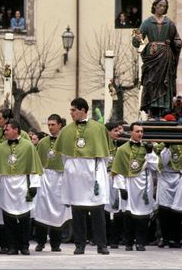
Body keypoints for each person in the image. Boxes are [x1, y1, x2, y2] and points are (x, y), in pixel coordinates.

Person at [54, 98, 112, 255]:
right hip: (75, 175)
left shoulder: (99, 129)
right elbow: (64, 157)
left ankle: (102, 244)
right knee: (77, 211)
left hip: (93, 172)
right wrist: (72, 170)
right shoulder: (66, 131)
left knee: (98, 211)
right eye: (71, 110)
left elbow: (106, 155)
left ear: (83, 110)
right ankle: (80, 245)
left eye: (74, 110)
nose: (71, 113)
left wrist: (97, 171)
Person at [0, 119, 43, 255]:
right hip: (6, 185)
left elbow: (34, 167)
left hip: (22, 184)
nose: (4, 132)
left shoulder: (28, 146)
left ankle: (24, 245)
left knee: (24, 218)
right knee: (8, 219)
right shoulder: (1, 147)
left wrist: (34, 185)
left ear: (16, 130)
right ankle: (12, 245)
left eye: (7, 129)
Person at [132, 0, 182, 119]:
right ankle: (152, 109)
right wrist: (137, 39)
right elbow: (137, 40)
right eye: (160, 5)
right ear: (155, 6)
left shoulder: (169, 23)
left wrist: (178, 43)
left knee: (164, 83)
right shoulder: (147, 22)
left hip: (165, 58)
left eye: (164, 6)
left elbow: (175, 39)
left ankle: (163, 110)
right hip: (152, 57)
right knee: (150, 82)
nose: (162, 8)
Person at [111, 123, 158, 251]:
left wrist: (149, 153)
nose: (140, 134)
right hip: (129, 184)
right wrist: (121, 188)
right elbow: (118, 170)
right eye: (137, 131)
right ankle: (128, 242)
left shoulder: (147, 147)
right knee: (129, 215)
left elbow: (155, 167)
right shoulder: (122, 149)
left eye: (142, 131)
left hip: (144, 185)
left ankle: (141, 242)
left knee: (143, 215)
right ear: (131, 132)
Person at [33, 114, 72, 253]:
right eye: (48, 125)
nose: (50, 127)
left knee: (58, 212)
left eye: (53, 125)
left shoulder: (67, 141)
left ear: (60, 125)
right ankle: (41, 242)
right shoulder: (43, 142)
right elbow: (36, 162)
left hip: (60, 178)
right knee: (41, 210)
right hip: (45, 177)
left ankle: (56, 244)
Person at [157, 142, 182, 248]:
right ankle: (164, 238)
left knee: (177, 211)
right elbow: (163, 162)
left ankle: (175, 238)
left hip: (179, 177)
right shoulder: (161, 147)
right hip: (165, 177)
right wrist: (166, 147)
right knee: (163, 210)